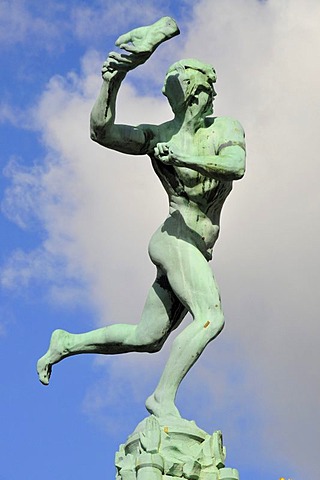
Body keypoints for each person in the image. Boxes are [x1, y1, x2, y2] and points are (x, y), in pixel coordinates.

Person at [37, 22, 246, 420]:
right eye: (197, 92)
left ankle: (66, 343)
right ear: (193, 94)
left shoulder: (225, 129)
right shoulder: (157, 135)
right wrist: (113, 81)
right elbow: (102, 132)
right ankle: (162, 398)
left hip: (196, 245)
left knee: (146, 337)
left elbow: (235, 167)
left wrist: (182, 158)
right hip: (174, 237)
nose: (204, 99)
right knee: (210, 315)